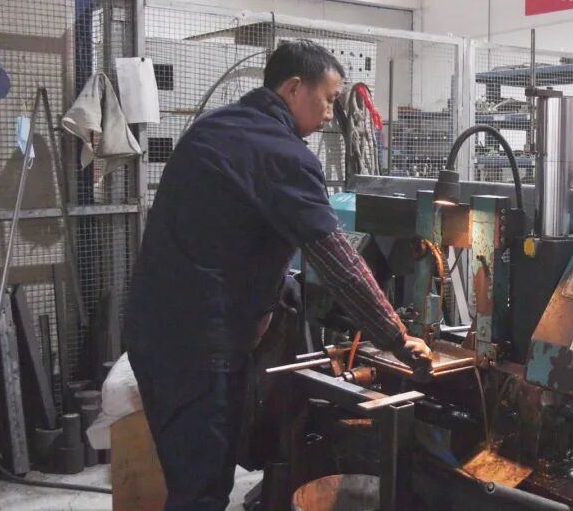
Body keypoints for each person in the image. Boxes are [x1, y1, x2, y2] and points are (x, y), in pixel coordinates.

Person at [123, 39, 432, 510]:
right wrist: (396, 336)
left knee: (191, 475)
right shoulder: (282, 154)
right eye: (328, 99)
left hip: (156, 332)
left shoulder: (217, 126)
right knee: (201, 491)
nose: (330, 114)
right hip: (199, 345)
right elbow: (339, 265)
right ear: (293, 88)